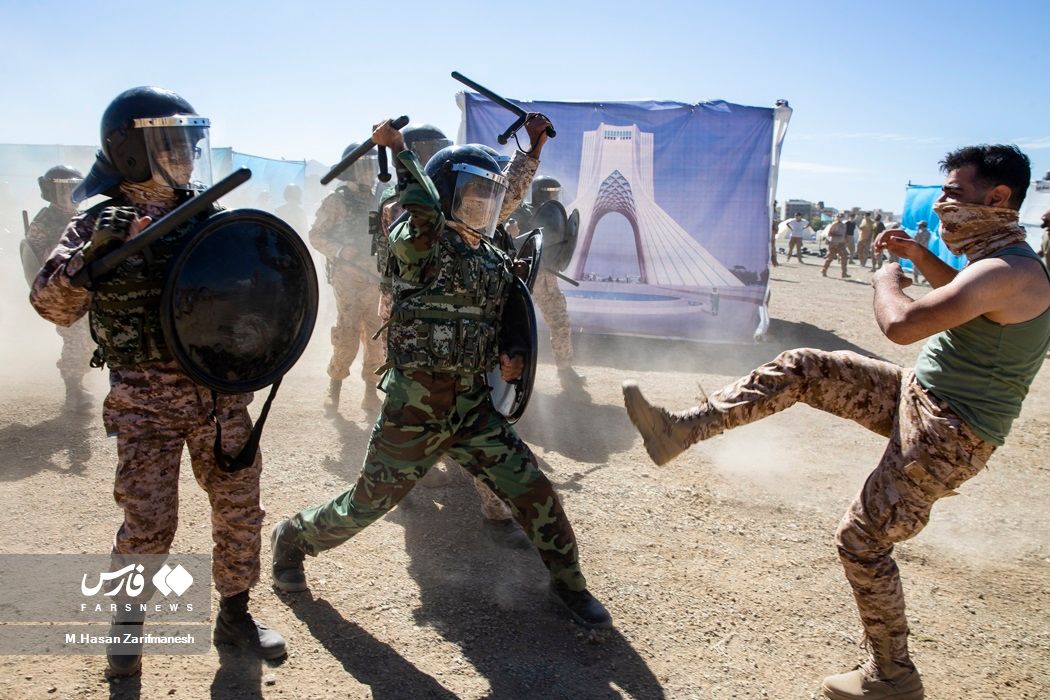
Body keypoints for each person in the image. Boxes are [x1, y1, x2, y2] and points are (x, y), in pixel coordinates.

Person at [621, 144, 1050, 700]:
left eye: (954, 193)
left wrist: (885, 280)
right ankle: (682, 430)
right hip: (920, 396)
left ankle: (892, 676)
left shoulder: (1011, 271)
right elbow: (965, 295)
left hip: (951, 432)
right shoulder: (999, 265)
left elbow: (902, 326)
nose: (943, 204)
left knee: (862, 540)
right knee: (804, 367)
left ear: (998, 198)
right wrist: (917, 259)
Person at [271, 121, 612, 630]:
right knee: (364, 506)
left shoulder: (490, 256)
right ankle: (293, 537)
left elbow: (509, 310)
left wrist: (510, 353)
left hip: (472, 409)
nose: (482, 204)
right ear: (447, 195)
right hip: (414, 411)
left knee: (535, 491)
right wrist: (402, 154)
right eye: (471, 194)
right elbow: (425, 211)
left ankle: (569, 583)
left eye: (487, 197)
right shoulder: (417, 243)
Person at [29, 86, 286, 676]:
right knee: (148, 523)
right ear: (130, 150)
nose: (188, 157)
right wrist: (90, 259)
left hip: (219, 398)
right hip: (147, 401)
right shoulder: (100, 219)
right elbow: (50, 305)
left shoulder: (212, 217)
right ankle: (127, 627)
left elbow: (256, 294)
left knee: (240, 508)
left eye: (191, 145)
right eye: (172, 145)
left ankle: (236, 614)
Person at [311, 144, 384, 416]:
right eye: (365, 166)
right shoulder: (336, 200)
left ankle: (370, 392)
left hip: (374, 276)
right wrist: (342, 251)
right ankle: (335, 385)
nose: (371, 172)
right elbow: (316, 235)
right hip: (348, 277)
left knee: (377, 336)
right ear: (352, 170)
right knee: (348, 333)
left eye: (373, 166)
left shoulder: (379, 199)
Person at [23, 165, 95, 410]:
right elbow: (35, 263)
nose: (68, 195)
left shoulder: (84, 217)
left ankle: (82, 384)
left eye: (73, 189)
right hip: (63, 292)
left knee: (93, 341)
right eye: (63, 190)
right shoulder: (43, 223)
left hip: (87, 289)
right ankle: (73, 392)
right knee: (77, 342)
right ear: (51, 192)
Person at [507, 175, 587, 389]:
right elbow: (512, 241)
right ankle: (515, 373)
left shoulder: (554, 217)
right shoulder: (521, 214)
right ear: (541, 192)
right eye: (550, 192)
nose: (554, 197)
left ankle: (565, 369)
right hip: (525, 278)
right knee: (517, 326)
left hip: (547, 278)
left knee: (560, 322)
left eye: (555, 193)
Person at [821, 214, 850, 278]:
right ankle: (824, 270)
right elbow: (830, 233)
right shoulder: (834, 225)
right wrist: (837, 235)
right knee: (830, 258)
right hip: (834, 243)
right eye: (839, 217)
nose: (840, 218)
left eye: (841, 217)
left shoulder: (844, 225)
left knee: (844, 257)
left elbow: (845, 233)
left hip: (841, 243)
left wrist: (846, 239)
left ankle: (844, 273)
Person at [911, 220, 931, 285]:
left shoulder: (919, 233)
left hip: (918, 251)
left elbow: (915, 241)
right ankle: (926, 278)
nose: (918, 226)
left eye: (919, 225)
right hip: (925, 252)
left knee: (915, 265)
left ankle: (916, 279)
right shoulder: (928, 233)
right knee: (925, 266)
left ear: (921, 226)